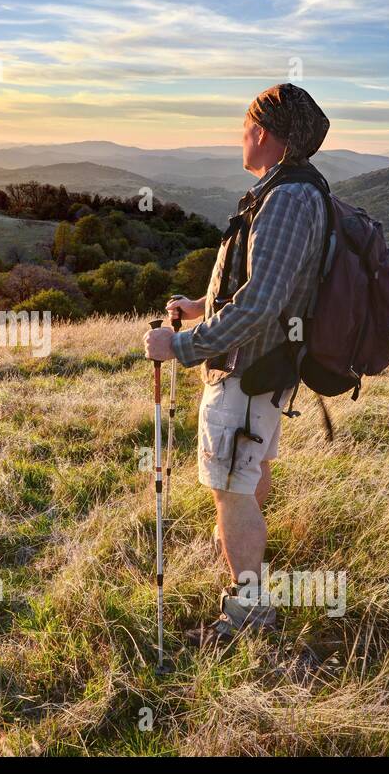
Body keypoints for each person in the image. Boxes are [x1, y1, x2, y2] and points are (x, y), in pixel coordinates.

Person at [142, 83, 331, 647]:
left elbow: (261, 303)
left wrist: (181, 346)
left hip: (248, 370)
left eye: (245, 128)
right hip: (266, 367)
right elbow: (264, 286)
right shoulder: (288, 192)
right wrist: (202, 307)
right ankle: (247, 561)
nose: (240, 139)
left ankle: (249, 611)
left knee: (231, 488)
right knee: (246, 479)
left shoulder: (287, 199)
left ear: (265, 135)